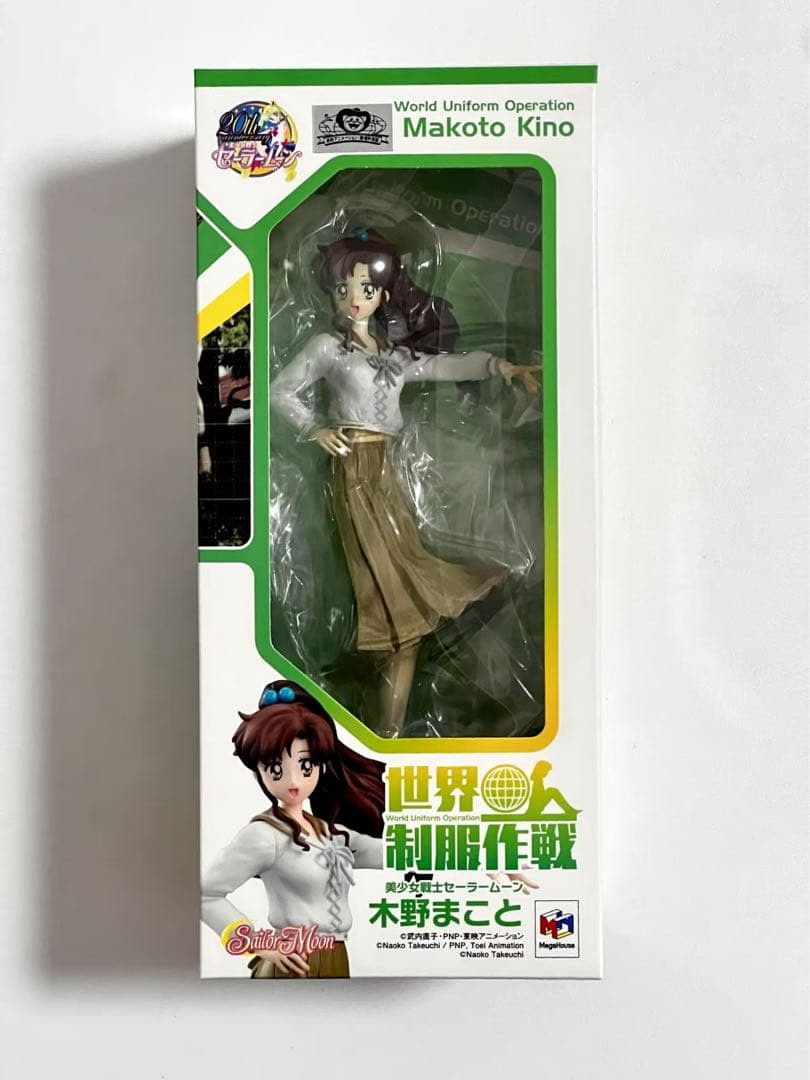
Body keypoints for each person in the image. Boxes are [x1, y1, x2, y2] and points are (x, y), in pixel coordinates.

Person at [269, 228, 540, 734]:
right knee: (392, 604)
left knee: (405, 608)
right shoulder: (328, 348)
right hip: (353, 468)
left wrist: (501, 366)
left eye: (366, 288)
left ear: (383, 294)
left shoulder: (394, 356)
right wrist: (315, 428)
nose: (355, 298)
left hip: (386, 470)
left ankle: (384, 729)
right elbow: (279, 392)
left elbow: (444, 365)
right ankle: (383, 725)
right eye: (344, 288)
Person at [201, 680, 385, 978]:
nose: (293, 781)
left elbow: (395, 853)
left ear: (321, 766)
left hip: (337, 956)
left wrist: (471, 851)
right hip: (292, 963)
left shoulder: (331, 834)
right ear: (258, 772)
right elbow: (205, 894)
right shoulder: (265, 836)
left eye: (305, 765)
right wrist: (256, 944)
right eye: (276, 768)